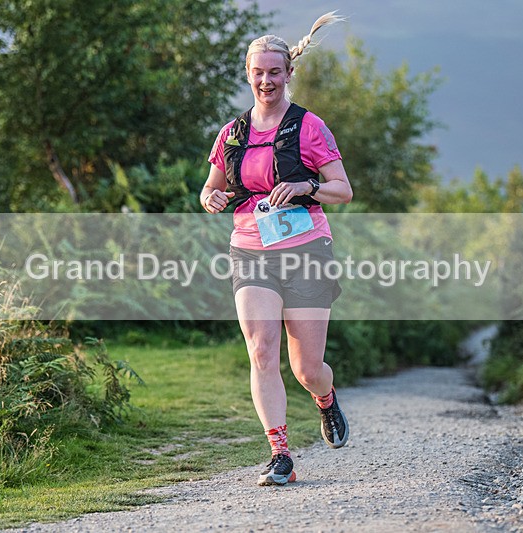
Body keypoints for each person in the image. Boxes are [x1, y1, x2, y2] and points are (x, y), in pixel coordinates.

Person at [200, 12, 353, 487]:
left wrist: (306, 186)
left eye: (275, 72)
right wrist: (212, 199)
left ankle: (325, 400)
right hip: (250, 248)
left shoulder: (309, 127)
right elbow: (210, 189)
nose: (266, 80)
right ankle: (280, 453)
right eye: (258, 72)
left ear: (288, 74)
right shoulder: (232, 133)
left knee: (307, 368)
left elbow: (342, 189)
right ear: (249, 76)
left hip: (306, 247)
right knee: (262, 351)